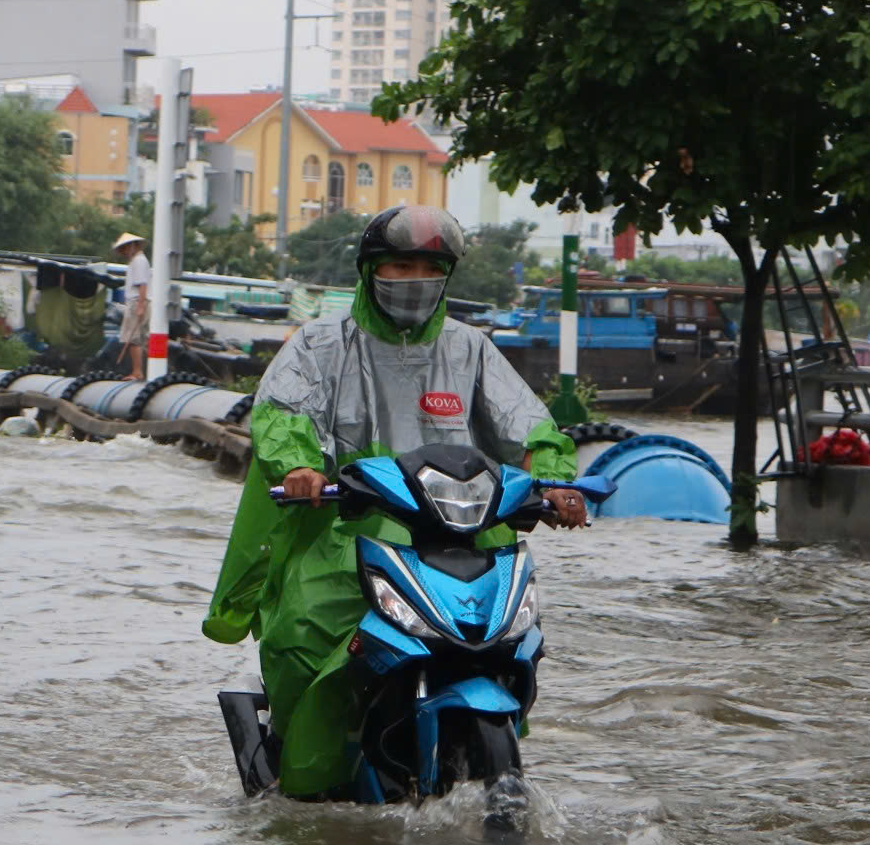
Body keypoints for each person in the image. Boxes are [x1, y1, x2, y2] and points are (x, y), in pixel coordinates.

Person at [202, 203, 589, 799]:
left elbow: (528, 427)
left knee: (510, 641)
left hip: (457, 540)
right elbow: (282, 414)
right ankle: (297, 773)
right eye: (399, 265)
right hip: (344, 533)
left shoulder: (471, 350)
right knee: (302, 635)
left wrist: (556, 480)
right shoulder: (320, 345)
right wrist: (301, 467)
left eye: (428, 268)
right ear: (370, 271)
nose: (414, 281)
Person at [112, 231, 150, 379]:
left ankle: (137, 371)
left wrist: (140, 306)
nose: (125, 252)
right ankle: (138, 370)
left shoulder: (139, 261)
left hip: (137, 302)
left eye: (126, 248)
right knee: (136, 338)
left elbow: (143, 285)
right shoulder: (137, 261)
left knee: (133, 338)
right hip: (137, 301)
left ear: (133, 246)